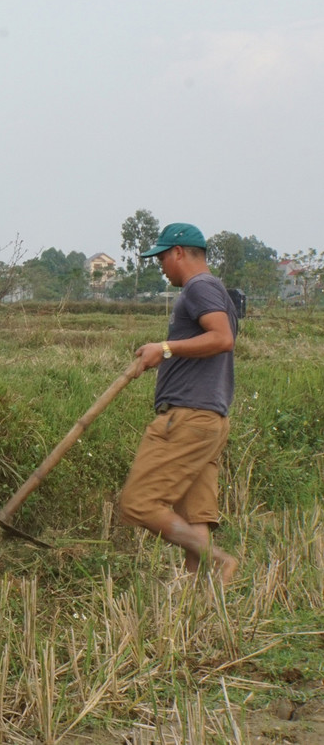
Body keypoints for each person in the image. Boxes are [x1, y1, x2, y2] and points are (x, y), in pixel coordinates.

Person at [119, 223, 239, 582]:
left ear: (179, 253)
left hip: (188, 418)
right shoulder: (216, 291)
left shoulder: (199, 287)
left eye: (161, 257)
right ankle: (195, 602)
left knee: (138, 503)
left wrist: (165, 347)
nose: (160, 266)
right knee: (193, 517)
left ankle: (216, 559)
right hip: (209, 420)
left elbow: (222, 338)